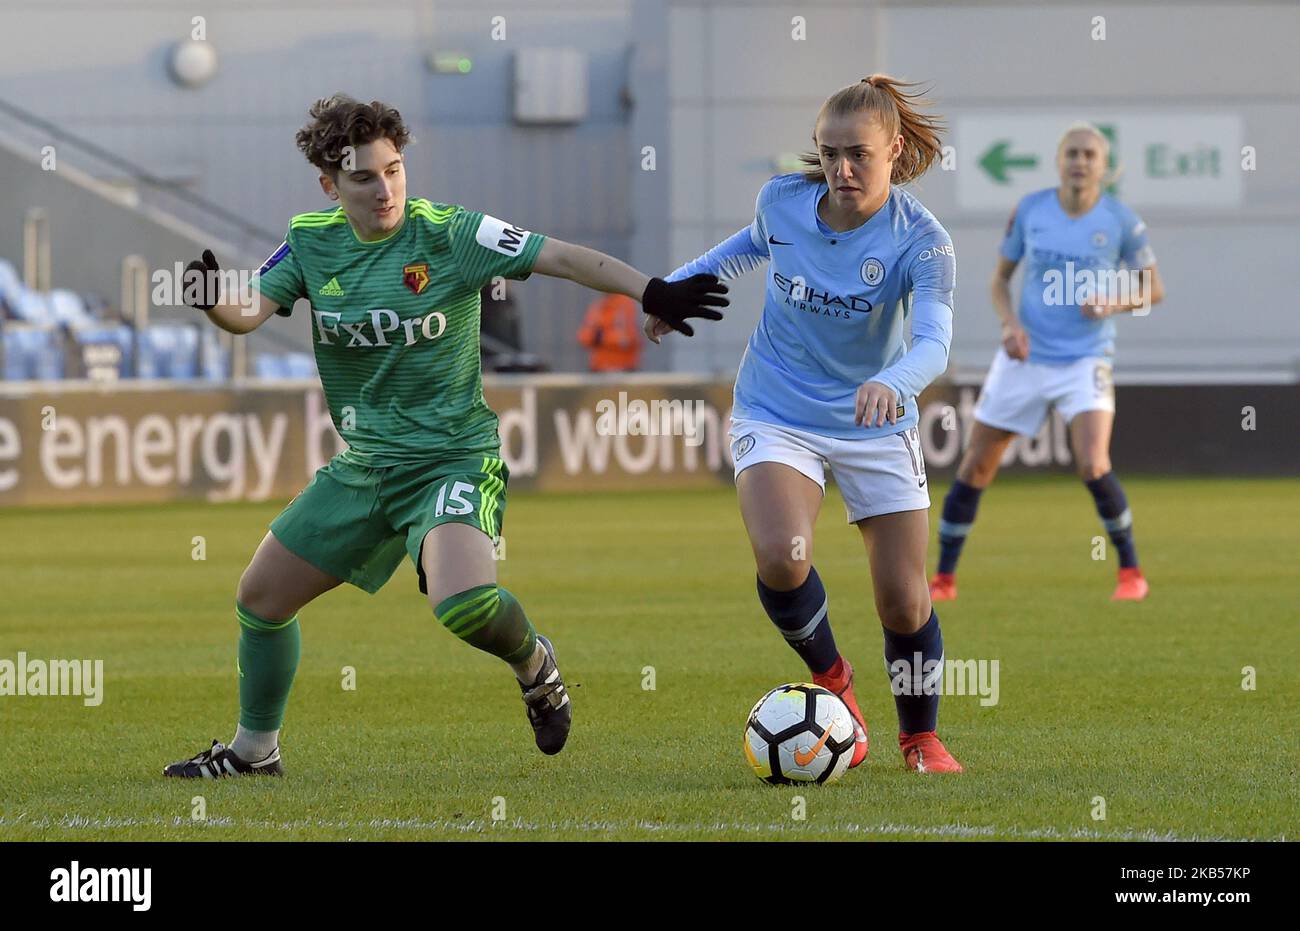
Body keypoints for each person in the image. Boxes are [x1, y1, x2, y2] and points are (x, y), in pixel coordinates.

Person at [165, 94, 727, 777]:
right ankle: (255, 752)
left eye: (394, 170)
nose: (385, 189)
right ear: (329, 184)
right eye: (364, 177)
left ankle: (534, 663)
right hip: (366, 466)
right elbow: (249, 309)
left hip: (451, 458)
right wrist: (210, 300)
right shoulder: (312, 240)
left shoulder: (450, 233)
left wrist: (651, 291)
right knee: (260, 598)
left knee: (462, 606)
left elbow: (562, 257)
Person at [647, 75, 962, 773]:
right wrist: (673, 291)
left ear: (895, 150)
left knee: (906, 602)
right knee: (783, 556)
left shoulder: (924, 242)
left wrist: (893, 379)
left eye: (859, 155)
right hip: (776, 406)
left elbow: (935, 342)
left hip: (876, 418)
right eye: (828, 154)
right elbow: (744, 247)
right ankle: (834, 680)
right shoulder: (783, 202)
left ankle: (921, 739)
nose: (841, 170)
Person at [929, 122, 1164, 604]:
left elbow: (1153, 290)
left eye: (1089, 155)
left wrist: (1115, 302)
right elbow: (999, 281)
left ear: (1105, 167)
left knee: (1094, 463)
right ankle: (943, 580)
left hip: (1086, 360)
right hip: (1026, 356)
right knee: (976, 466)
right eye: (1072, 153)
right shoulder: (1031, 210)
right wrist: (1009, 325)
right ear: (1059, 161)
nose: (1080, 161)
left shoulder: (1121, 221)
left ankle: (1131, 573)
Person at [578, 293, 641, 372]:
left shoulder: (626, 305)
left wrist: (601, 337)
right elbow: (583, 337)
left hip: (623, 369)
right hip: (599, 368)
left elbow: (627, 339)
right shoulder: (598, 306)